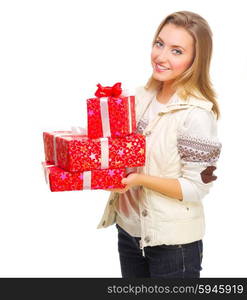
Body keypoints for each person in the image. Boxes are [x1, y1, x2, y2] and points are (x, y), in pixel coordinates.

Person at [97, 11, 222, 278]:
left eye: (177, 51)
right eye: (159, 43)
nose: (161, 56)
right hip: (129, 233)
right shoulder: (139, 99)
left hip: (173, 245)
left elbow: (196, 187)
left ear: (194, 60)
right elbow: (120, 153)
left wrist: (140, 179)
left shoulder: (196, 114)